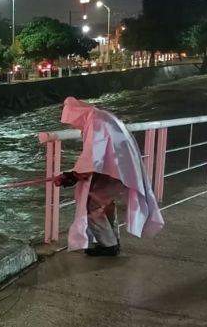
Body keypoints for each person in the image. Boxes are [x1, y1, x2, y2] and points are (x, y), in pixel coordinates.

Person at [54, 98, 164, 255]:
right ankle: (112, 240)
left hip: (113, 171)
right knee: (106, 203)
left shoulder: (95, 122)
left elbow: (93, 156)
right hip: (121, 170)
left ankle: (108, 244)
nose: (73, 126)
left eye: (72, 122)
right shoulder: (101, 116)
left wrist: (73, 176)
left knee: (91, 205)